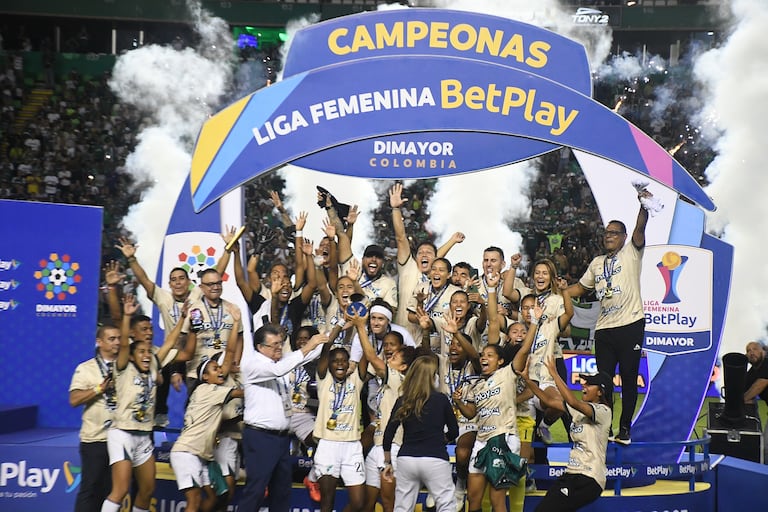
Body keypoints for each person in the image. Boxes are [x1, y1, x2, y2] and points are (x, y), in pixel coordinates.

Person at [566, 189, 652, 444]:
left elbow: (640, 228)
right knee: (603, 381)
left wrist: (644, 205)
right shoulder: (596, 262)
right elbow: (580, 289)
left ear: (624, 237)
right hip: (603, 329)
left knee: (628, 378)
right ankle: (606, 427)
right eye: (606, 233)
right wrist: (558, 292)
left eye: (614, 233)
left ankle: (625, 429)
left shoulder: (632, 252)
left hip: (630, 325)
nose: (609, 237)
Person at [100, 295, 181, 512]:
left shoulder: (154, 364)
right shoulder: (124, 367)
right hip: (123, 433)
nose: (147, 355)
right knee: (121, 490)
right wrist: (127, 316)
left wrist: (183, 318)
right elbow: (125, 341)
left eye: (148, 351)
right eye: (142, 352)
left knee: (147, 491)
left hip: (144, 435)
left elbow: (171, 341)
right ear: (132, 355)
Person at [238, 323, 330, 512]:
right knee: (255, 491)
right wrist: (309, 344)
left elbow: (311, 353)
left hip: (281, 439)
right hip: (260, 437)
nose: (279, 347)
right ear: (260, 347)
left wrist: (337, 328)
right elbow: (282, 369)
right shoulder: (253, 364)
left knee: (281, 493)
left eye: (280, 343)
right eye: (274, 345)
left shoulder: (277, 362)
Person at [521, 357, 613, 511]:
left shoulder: (603, 411)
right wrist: (528, 381)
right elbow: (549, 401)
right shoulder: (579, 410)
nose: (584, 385)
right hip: (572, 475)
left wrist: (555, 375)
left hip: (589, 477)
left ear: (600, 392)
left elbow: (572, 402)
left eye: (590, 384)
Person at [170, 329, 243, 512]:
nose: (220, 371)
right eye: (215, 369)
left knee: (215, 496)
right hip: (187, 452)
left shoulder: (207, 391)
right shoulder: (208, 390)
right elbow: (241, 392)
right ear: (205, 377)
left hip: (201, 454)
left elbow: (229, 357)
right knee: (193, 500)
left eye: (219, 368)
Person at [382, 356, 459, 512]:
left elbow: (388, 433)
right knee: (446, 506)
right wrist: (441, 439)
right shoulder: (441, 399)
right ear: (433, 377)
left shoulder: (403, 400)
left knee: (402, 507)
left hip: (407, 459)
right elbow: (454, 431)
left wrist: (388, 463)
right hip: (435, 458)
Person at [310, 314, 369, 512]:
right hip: (328, 444)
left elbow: (365, 355)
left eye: (344, 360)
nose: (340, 364)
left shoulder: (356, 380)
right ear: (330, 364)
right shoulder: (323, 380)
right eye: (336, 361)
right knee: (327, 501)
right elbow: (326, 348)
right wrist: (341, 324)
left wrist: (361, 325)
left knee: (359, 503)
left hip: (352, 446)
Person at [69, 325, 120, 512]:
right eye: (112, 339)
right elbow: (74, 399)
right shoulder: (86, 369)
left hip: (120, 439)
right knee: (91, 489)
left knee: (112, 491)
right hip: (95, 439)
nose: (117, 342)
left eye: (119, 338)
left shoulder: (126, 367)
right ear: (99, 342)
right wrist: (99, 389)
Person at [744, 340, 768, 463]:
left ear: (763, 351)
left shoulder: (767, 362)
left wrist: (743, 399)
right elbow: (745, 395)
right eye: (748, 351)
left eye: (755, 349)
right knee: (764, 448)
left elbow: (761, 384)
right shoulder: (752, 373)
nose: (751, 352)